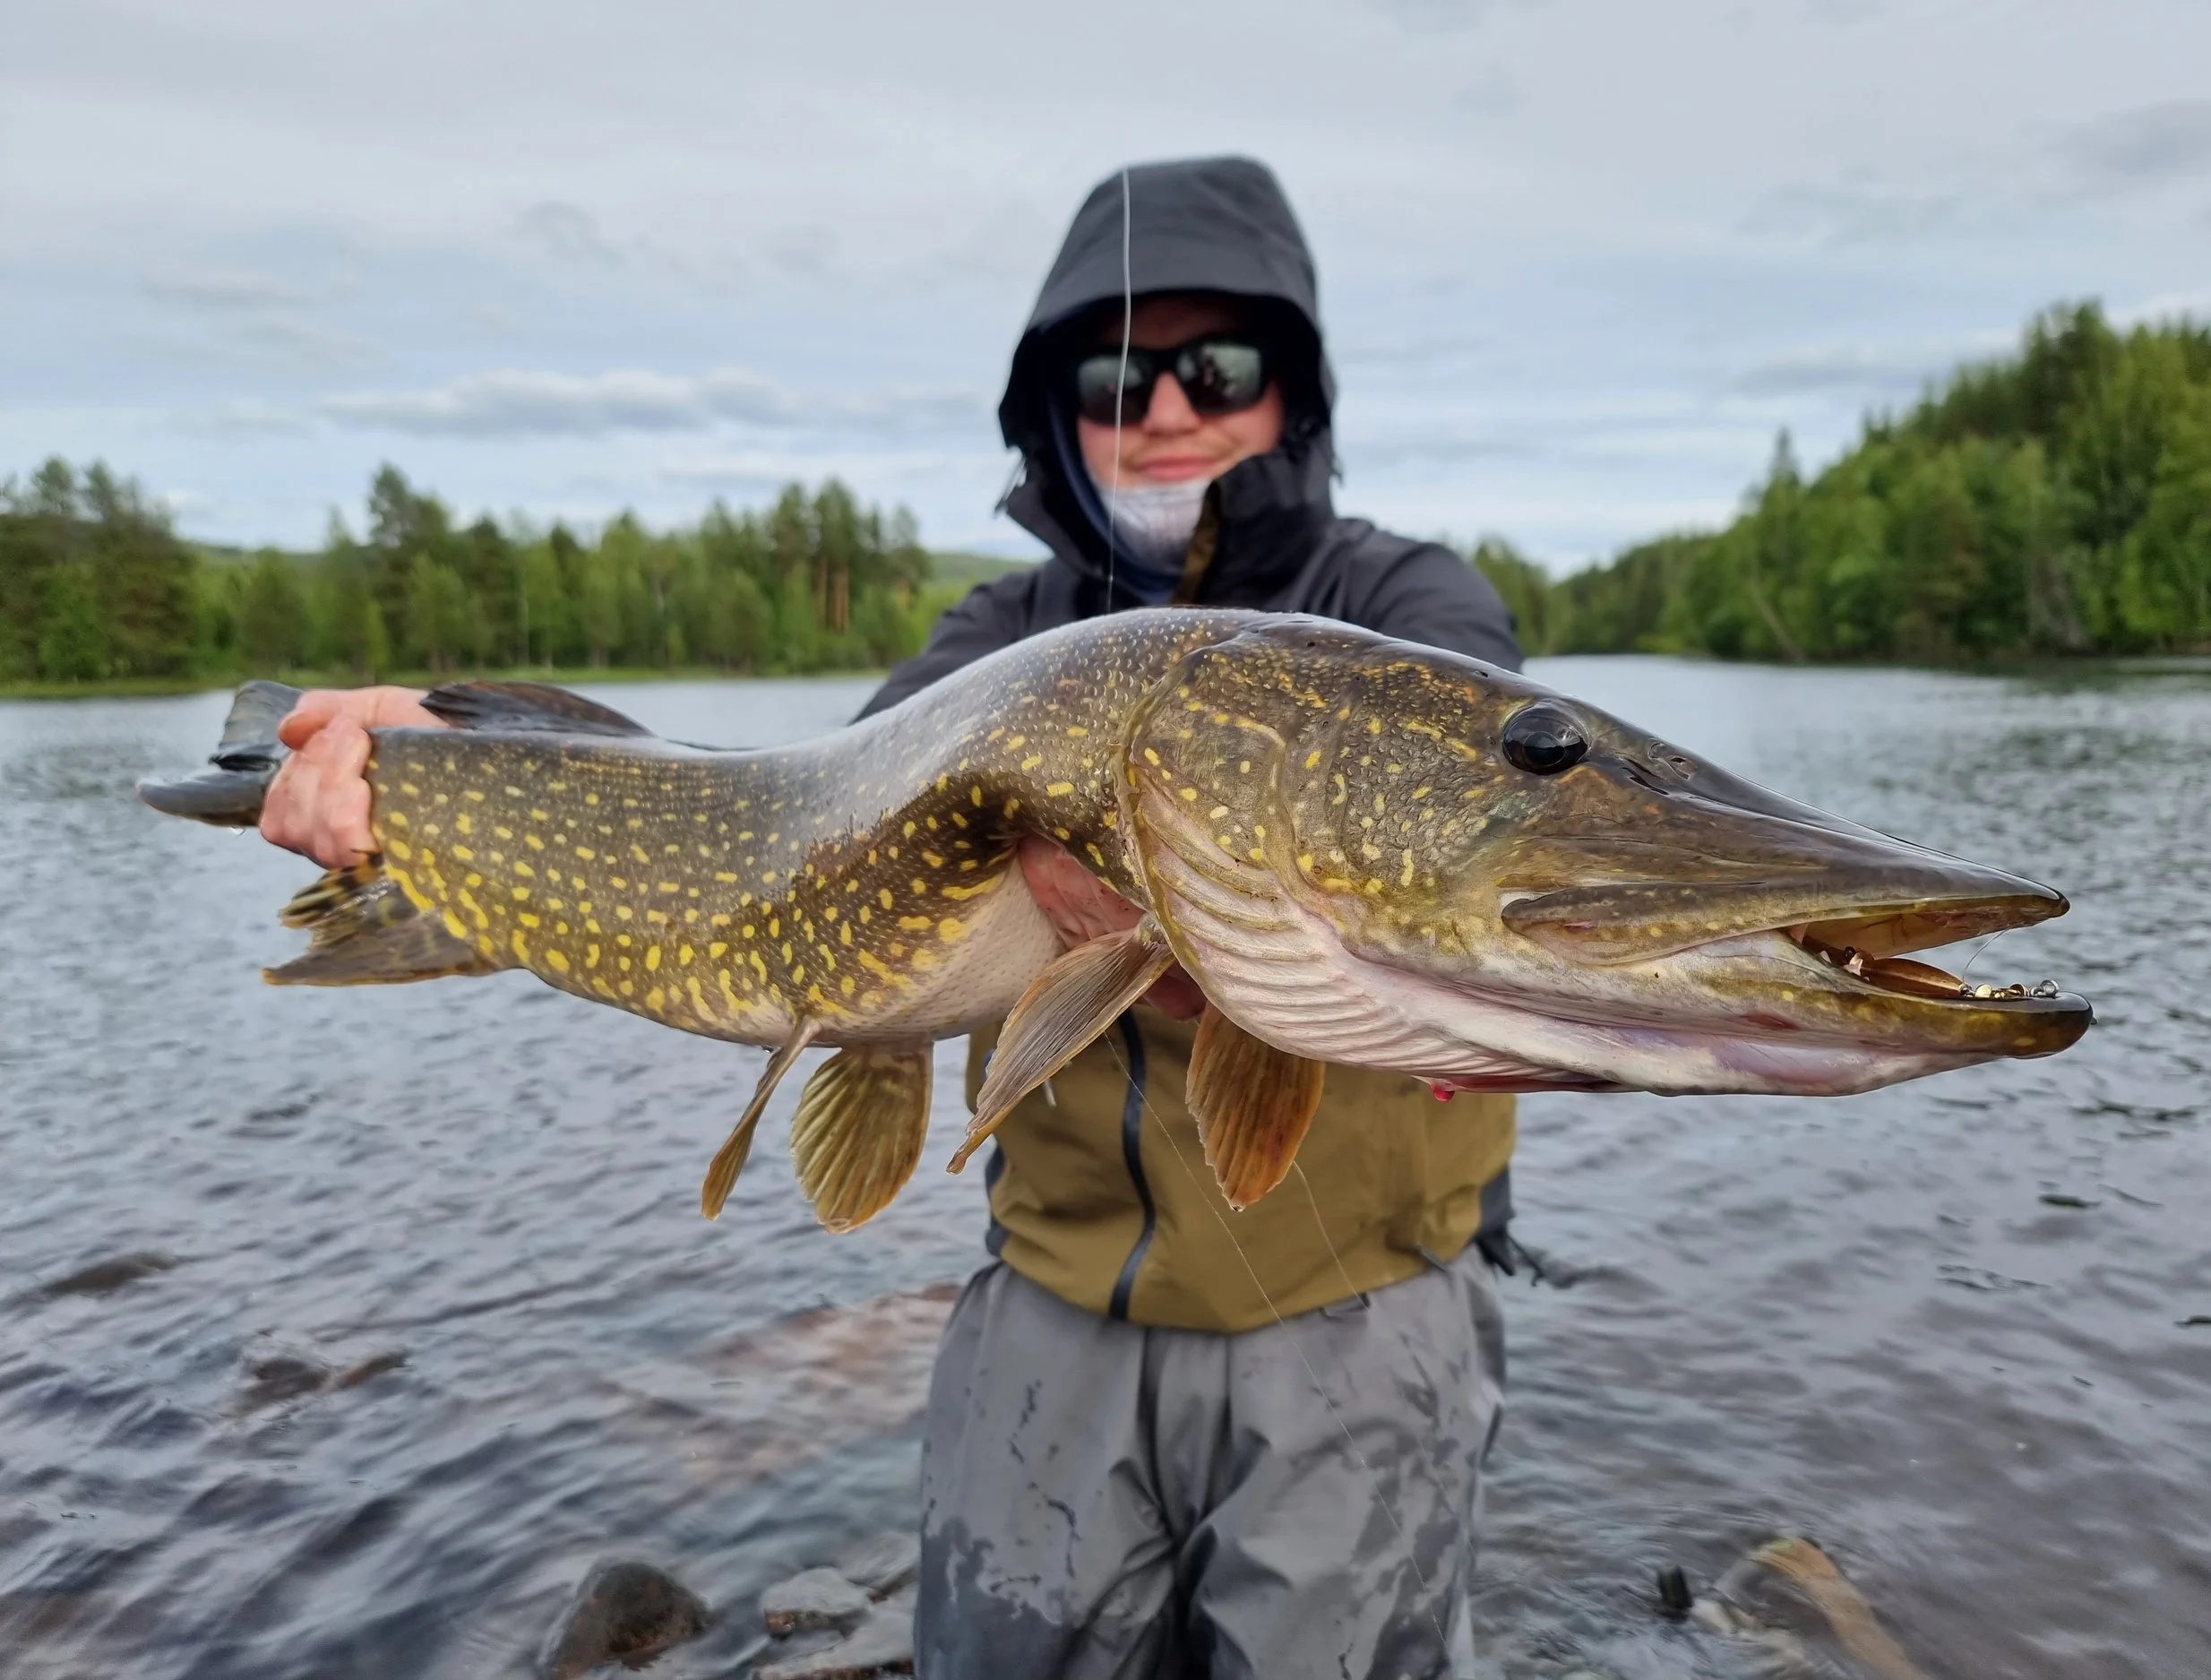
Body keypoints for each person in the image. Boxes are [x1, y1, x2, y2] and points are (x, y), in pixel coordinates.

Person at [256, 156, 1525, 1680]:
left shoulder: (1407, 616)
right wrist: (459, 763)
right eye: (1118, 376)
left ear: (1292, 394)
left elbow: (1480, 874)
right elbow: (787, 827)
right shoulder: (994, 638)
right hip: (1057, 1291)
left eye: (1222, 366)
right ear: (1057, 410)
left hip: (1361, 1303)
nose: (1170, 409)